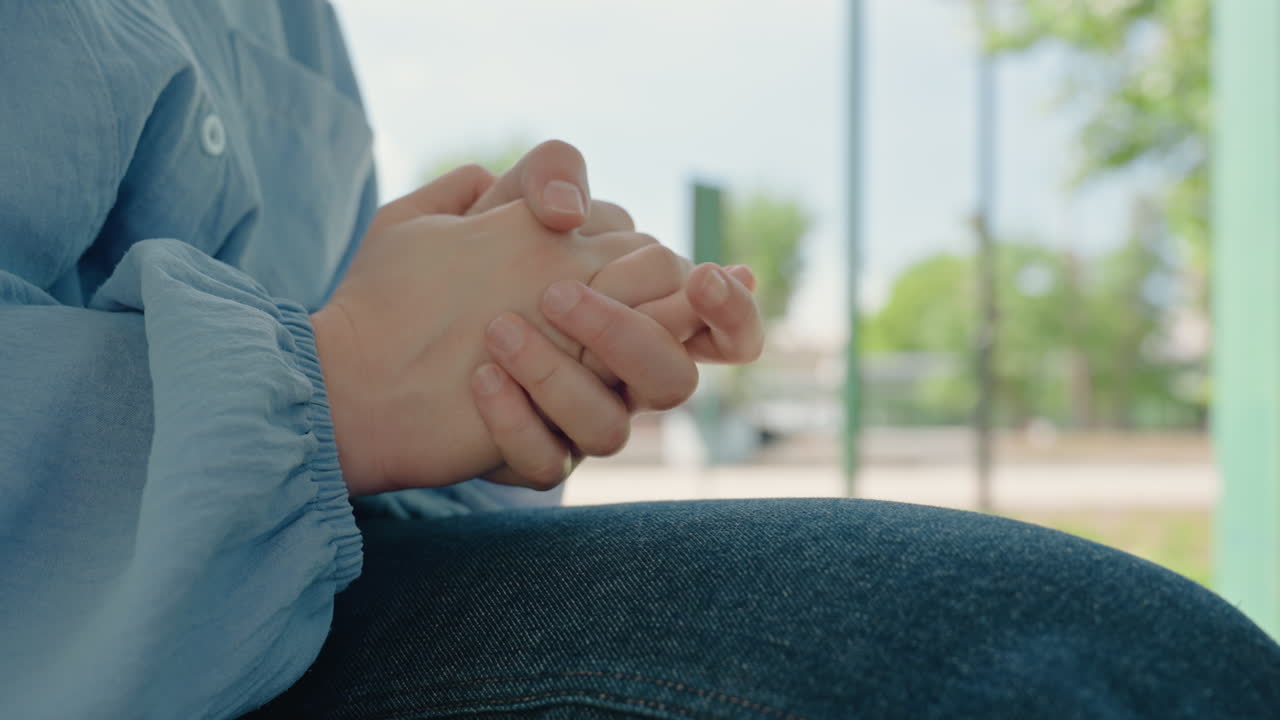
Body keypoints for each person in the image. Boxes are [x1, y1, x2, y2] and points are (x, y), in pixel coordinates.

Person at [0, 3, 1276, 719]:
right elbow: (328, 387)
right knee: (1052, 668)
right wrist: (332, 382)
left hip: (296, 607)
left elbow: (351, 433)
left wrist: (506, 374)